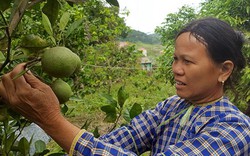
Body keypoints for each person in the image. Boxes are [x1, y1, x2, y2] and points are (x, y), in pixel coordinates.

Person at [0, 17, 249, 156]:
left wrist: (51, 119)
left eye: (188, 61)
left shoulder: (234, 129)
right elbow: (124, 138)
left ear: (224, 70)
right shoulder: (172, 107)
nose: (176, 68)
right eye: (175, 58)